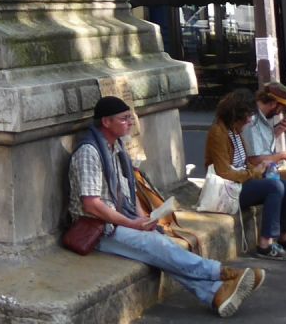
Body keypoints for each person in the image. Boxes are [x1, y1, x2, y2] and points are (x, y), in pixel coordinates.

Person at [71, 96, 260, 316]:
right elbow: (91, 205)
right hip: (99, 229)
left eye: (130, 117)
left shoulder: (117, 148)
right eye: (124, 119)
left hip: (122, 220)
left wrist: (143, 218)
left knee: (162, 247)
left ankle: (215, 293)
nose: (130, 123)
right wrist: (132, 224)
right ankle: (220, 273)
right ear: (106, 122)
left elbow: (128, 191)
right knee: (158, 246)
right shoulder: (90, 152)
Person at [207, 90, 286, 261]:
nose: (250, 120)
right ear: (237, 114)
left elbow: (243, 163)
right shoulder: (218, 133)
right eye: (248, 116)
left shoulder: (236, 131)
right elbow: (224, 172)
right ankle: (265, 244)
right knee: (274, 187)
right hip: (228, 189)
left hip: (241, 182)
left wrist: (259, 169)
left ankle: (285, 237)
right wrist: (254, 172)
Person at [242, 82, 286, 177]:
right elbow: (254, 160)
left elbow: (262, 146)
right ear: (273, 104)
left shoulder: (262, 118)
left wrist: (279, 130)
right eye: (280, 109)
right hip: (252, 174)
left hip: (265, 170)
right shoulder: (252, 121)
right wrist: (284, 155)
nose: (279, 113)